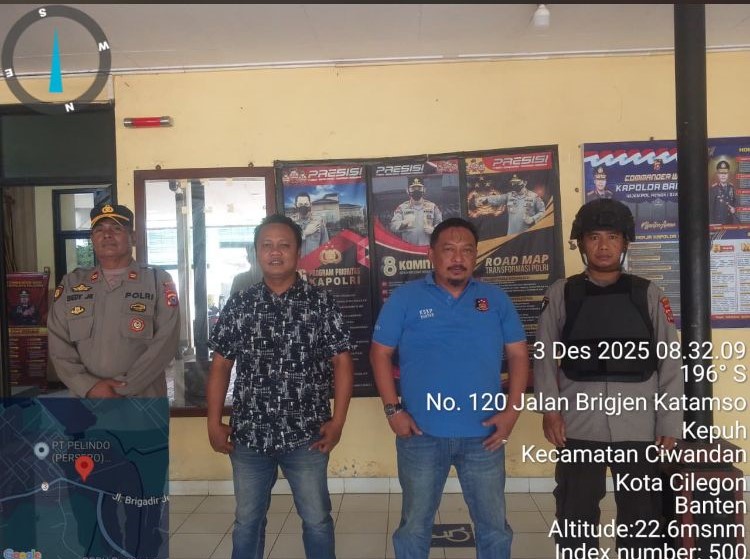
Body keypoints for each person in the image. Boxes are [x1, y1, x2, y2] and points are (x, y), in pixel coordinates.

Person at [370, 217, 529, 559]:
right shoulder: (406, 298)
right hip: (421, 434)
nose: (458, 258)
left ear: (475, 256)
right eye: (449, 250)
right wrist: (392, 410)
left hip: (484, 435)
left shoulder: (495, 299)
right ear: (431, 255)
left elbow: (518, 354)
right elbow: (379, 353)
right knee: (414, 527)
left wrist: (513, 410)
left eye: (467, 250)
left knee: (494, 528)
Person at [533, 198, 683, 554]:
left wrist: (670, 422)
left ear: (625, 242)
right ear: (582, 243)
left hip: (639, 425)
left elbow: (670, 362)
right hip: (578, 425)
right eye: (594, 237)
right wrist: (550, 411)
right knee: (575, 511)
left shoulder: (648, 293)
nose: (603, 246)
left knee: (641, 514)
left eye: (612, 237)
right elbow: (544, 356)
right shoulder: (562, 293)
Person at [206, 214, 354, 559]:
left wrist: (338, 422)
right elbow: (221, 365)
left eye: (284, 245)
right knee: (247, 521)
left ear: (298, 252)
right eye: (267, 245)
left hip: (307, 435)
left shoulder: (321, 303)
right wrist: (213, 422)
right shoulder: (240, 303)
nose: (275, 252)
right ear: (256, 252)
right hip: (249, 436)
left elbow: (342, 362)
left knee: (317, 520)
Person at [48, 203, 180, 398]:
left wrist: (121, 388)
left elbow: (165, 344)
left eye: (116, 228)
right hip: (86, 401)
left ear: (133, 237)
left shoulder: (157, 281)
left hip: (142, 401)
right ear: (92, 239)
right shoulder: (72, 283)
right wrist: (89, 387)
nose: (107, 235)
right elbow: (58, 343)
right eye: (99, 230)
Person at [477, 174, 545, 234]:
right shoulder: (509, 196)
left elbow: (543, 211)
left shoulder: (534, 196)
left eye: (517, 182)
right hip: (511, 235)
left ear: (525, 182)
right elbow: (498, 198)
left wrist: (532, 219)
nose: (514, 184)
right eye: (513, 182)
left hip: (528, 234)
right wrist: (486, 199)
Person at [390, 177, 443, 245]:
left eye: (419, 188)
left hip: (427, 247)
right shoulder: (402, 208)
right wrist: (404, 223)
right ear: (407, 190)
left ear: (424, 190)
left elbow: (442, 225)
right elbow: (393, 226)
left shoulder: (432, 207)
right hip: (408, 248)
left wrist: (434, 230)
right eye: (413, 188)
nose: (416, 191)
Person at [709, 160, 737, 225]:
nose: (723, 175)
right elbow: (710, 210)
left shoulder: (731, 187)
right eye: (721, 173)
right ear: (718, 174)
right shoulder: (713, 189)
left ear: (728, 174)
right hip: (718, 224)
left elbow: (734, 201)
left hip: (729, 222)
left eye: (725, 173)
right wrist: (712, 225)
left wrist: (734, 208)